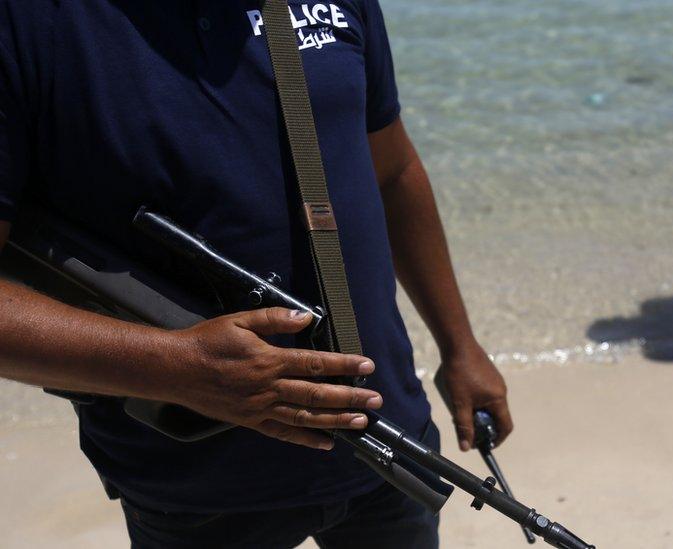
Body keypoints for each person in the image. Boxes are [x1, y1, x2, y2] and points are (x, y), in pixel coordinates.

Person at [0, 1, 512, 547]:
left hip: (388, 441)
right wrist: (179, 367)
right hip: (194, 488)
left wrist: (459, 346)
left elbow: (393, 170)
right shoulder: (31, 20)